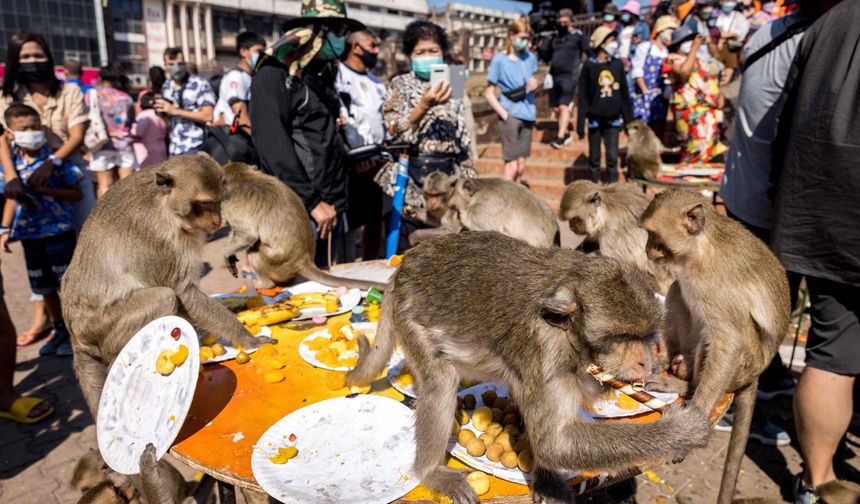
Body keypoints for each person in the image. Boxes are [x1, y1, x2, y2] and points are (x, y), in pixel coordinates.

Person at [769, 2, 856, 502]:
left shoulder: (829, 20)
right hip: (834, 219)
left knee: (833, 356)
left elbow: (784, 125)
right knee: (833, 356)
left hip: (823, 214)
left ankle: (817, 483)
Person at [0, 32, 96, 350]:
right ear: (15, 60)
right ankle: (50, 322)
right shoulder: (8, 93)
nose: (32, 62)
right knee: (39, 262)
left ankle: (87, 320)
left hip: (66, 173)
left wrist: (52, 163)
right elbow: (2, 137)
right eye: (25, 57)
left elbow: (78, 132)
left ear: (49, 57)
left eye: (38, 55)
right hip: (26, 179)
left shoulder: (68, 90)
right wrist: (13, 177)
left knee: (83, 246)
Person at [252, 0, 365, 267]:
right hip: (301, 210)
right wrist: (312, 202)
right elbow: (273, 145)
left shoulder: (320, 73)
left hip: (331, 205)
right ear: (318, 32)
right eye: (337, 31)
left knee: (329, 293)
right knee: (297, 295)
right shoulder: (274, 75)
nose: (343, 40)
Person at [377, 20, 476, 251]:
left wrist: (470, 180)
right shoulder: (399, 84)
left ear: (443, 53)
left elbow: (464, 137)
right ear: (410, 56)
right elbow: (392, 132)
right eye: (420, 52)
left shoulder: (454, 81)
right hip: (410, 178)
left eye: (433, 51)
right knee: (408, 251)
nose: (427, 56)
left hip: (449, 182)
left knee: (447, 253)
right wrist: (422, 106)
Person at [0, 104, 83, 357]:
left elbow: (77, 193)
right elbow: (11, 200)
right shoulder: (11, 165)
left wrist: (49, 190)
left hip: (59, 235)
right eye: (24, 129)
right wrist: (4, 228)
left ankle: (76, 333)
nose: (31, 133)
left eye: (35, 127)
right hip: (30, 237)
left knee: (66, 285)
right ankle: (58, 328)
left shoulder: (54, 162)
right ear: (10, 132)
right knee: (43, 286)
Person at [336, 29, 386, 261]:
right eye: (372, 45)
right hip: (351, 163)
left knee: (374, 219)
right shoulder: (337, 75)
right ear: (356, 47)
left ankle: (370, 264)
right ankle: (346, 270)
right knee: (350, 223)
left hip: (376, 162)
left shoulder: (377, 82)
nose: (376, 51)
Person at [484, 20, 538, 183]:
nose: (524, 41)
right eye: (521, 37)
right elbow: (488, 92)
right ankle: (504, 204)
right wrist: (504, 114)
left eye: (527, 38)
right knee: (512, 166)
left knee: (521, 166)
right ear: (511, 36)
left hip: (528, 114)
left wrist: (534, 85)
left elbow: (531, 80)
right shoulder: (499, 60)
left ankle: (517, 202)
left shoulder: (530, 58)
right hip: (510, 115)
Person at [576, 26, 632, 183]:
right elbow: (583, 96)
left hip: (613, 121)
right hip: (594, 121)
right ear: (601, 44)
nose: (615, 44)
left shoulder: (617, 65)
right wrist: (581, 124)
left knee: (612, 159)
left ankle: (612, 192)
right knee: (594, 160)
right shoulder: (589, 66)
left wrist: (628, 121)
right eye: (611, 41)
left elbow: (624, 95)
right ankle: (594, 190)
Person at [667, 27, 726, 164]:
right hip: (689, 112)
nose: (691, 43)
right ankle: (688, 180)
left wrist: (719, 95)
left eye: (691, 40)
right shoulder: (672, 59)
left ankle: (702, 181)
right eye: (686, 40)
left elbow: (709, 80)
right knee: (693, 149)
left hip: (709, 113)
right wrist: (694, 48)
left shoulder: (699, 60)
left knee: (709, 150)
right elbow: (683, 73)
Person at [540, 8, 589, 149]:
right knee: (556, 109)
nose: (561, 22)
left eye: (564, 19)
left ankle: (561, 137)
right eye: (560, 19)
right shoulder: (555, 37)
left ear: (570, 20)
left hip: (570, 76)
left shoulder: (578, 36)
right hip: (553, 76)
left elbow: (587, 51)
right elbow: (546, 57)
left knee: (563, 106)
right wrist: (540, 47)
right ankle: (565, 131)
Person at [154, 47, 215, 156]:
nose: (176, 67)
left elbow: (208, 115)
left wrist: (176, 111)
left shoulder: (199, 84)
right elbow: (168, 118)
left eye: (180, 63)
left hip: (195, 145)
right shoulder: (166, 86)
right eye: (171, 64)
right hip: (174, 147)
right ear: (165, 66)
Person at [88, 63, 137, 197]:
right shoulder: (125, 98)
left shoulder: (94, 94)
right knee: (128, 187)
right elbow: (132, 122)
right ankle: (128, 216)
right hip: (124, 145)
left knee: (105, 186)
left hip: (102, 144)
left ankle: (106, 216)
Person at [630, 15, 678, 134]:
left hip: (661, 95)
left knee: (659, 126)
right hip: (643, 94)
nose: (670, 35)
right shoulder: (645, 47)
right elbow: (637, 71)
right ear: (661, 31)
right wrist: (645, 91)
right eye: (669, 31)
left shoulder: (668, 53)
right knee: (642, 127)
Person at [213, 31, 266, 130]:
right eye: (258, 51)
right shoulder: (236, 77)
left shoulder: (251, 77)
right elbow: (241, 118)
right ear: (243, 52)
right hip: (236, 138)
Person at [715, 1, 751, 84]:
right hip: (717, 43)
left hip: (731, 45)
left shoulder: (738, 16)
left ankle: (724, 83)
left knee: (730, 65)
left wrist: (728, 34)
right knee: (716, 64)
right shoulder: (717, 13)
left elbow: (742, 31)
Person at [132, 92, 168, 168]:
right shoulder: (161, 115)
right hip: (161, 147)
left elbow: (139, 133)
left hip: (145, 150)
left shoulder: (143, 115)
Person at [617, 1, 651, 71]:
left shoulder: (643, 26)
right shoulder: (620, 27)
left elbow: (647, 44)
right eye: (624, 12)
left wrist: (640, 42)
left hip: (633, 59)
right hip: (620, 59)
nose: (625, 14)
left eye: (627, 12)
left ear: (633, 14)